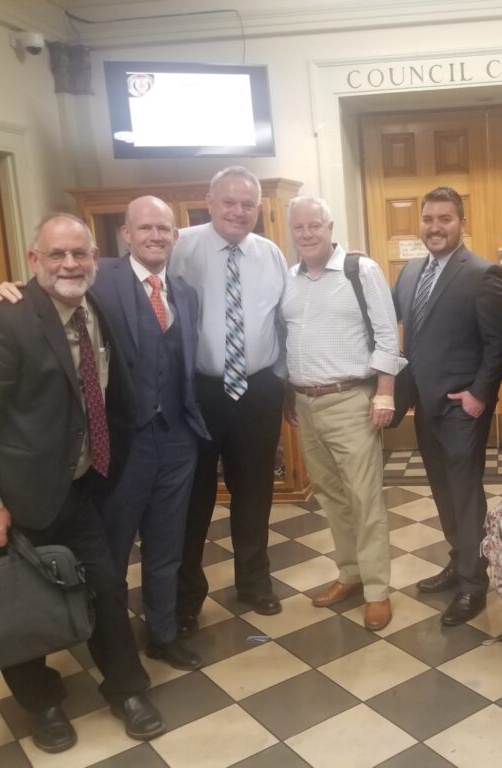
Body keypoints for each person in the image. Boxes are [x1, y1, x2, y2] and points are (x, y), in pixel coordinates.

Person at [0, 214, 165, 752]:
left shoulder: (94, 308)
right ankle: (42, 704)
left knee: (107, 589)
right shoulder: (0, 321)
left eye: (79, 254)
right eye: (56, 255)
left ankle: (127, 689)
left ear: (95, 257)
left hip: (74, 488)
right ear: (33, 261)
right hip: (6, 500)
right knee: (18, 606)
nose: (69, 264)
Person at [0, 197, 208, 671]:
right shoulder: (95, 278)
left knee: (168, 547)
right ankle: (105, 644)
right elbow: (47, 288)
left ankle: (162, 634)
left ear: (176, 235)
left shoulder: (185, 293)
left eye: (164, 229)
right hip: (122, 446)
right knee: (110, 555)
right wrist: (7, 290)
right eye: (144, 228)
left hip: (178, 441)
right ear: (124, 234)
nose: (155, 236)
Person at [171, 167, 290, 635]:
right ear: (209, 200)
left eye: (248, 205)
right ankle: (185, 598)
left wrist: (280, 381)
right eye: (229, 202)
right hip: (199, 392)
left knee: (255, 492)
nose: (239, 212)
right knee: (193, 497)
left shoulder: (271, 254)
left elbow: (284, 320)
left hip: (257, 389)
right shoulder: (180, 246)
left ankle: (254, 582)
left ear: (258, 209)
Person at [281, 195, 405, 631]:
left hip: (351, 399)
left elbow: (388, 336)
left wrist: (385, 393)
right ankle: (350, 573)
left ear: (330, 227)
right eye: (299, 227)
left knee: (364, 498)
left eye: (315, 225)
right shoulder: (289, 278)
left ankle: (377, 590)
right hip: (304, 404)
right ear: (290, 231)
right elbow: (286, 339)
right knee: (332, 497)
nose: (308, 234)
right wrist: (287, 395)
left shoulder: (360, 270)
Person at [391, 187, 502, 625]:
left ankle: (474, 583)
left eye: (445, 218)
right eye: (428, 219)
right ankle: (459, 559)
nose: (435, 226)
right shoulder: (408, 274)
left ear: (462, 223)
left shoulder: (482, 274)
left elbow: (500, 344)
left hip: (463, 409)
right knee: (442, 490)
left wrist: (480, 395)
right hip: (423, 406)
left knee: (464, 493)